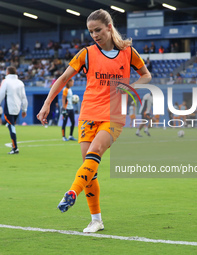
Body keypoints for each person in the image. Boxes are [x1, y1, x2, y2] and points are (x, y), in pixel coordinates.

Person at [37, 9, 151, 233]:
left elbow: (146, 75)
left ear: (109, 27)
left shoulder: (128, 52)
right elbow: (63, 78)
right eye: (90, 32)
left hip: (114, 115)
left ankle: (71, 193)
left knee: (95, 153)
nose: (94, 35)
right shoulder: (86, 53)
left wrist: (129, 88)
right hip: (88, 114)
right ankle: (96, 220)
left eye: (97, 30)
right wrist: (47, 103)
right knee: (90, 170)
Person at [0, 66, 28, 154]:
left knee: (11, 127)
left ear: (7, 72)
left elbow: (0, 95)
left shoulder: (6, 82)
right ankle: (14, 146)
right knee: (11, 126)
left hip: (9, 109)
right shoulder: (20, 83)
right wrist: (24, 109)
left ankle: (15, 148)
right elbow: (24, 98)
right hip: (17, 109)